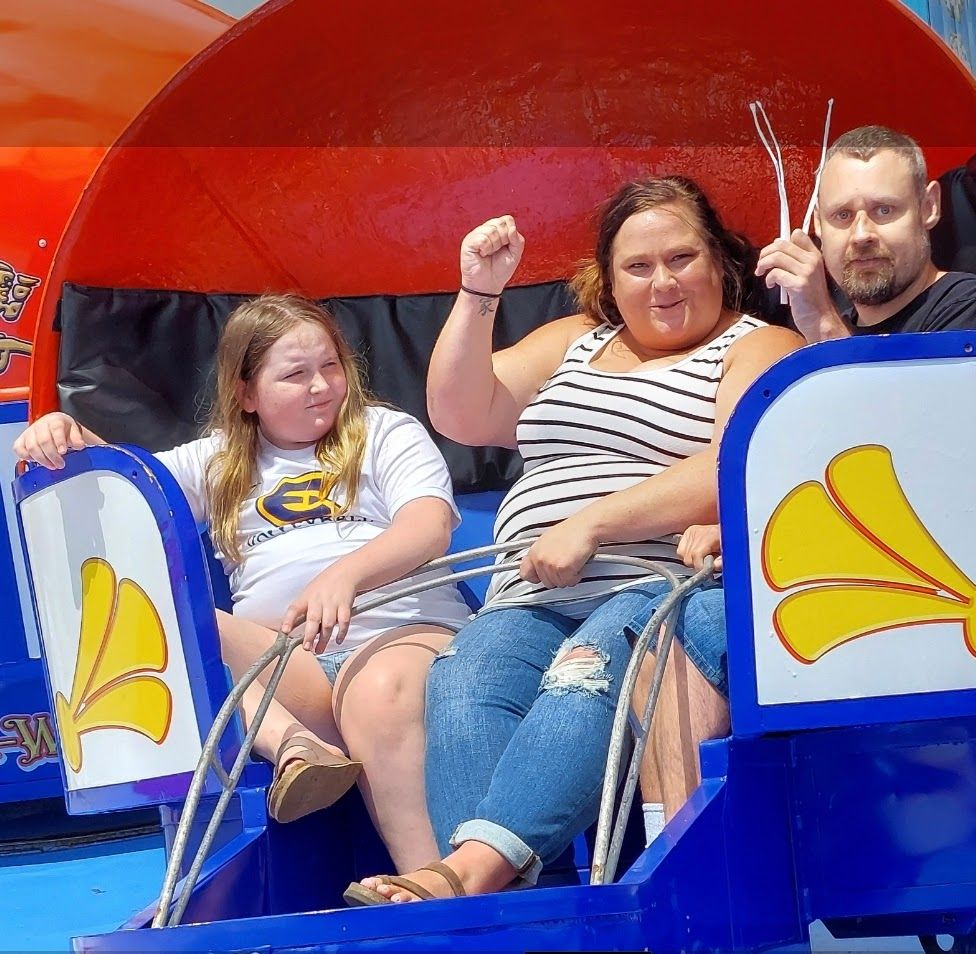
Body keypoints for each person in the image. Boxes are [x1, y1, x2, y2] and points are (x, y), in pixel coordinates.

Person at [345, 177, 801, 905]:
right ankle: (510, 913)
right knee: (461, 682)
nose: (663, 282)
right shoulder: (573, 343)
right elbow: (461, 413)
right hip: (526, 588)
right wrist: (479, 294)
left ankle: (469, 878)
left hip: (650, 584)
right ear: (609, 282)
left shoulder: (758, 345)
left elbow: (737, 458)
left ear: (721, 263)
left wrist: (592, 524)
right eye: (638, 267)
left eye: (682, 258)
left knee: (583, 672)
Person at [13, 294, 471, 875]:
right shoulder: (222, 460)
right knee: (180, 626)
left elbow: (428, 525)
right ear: (247, 393)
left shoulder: (383, 430)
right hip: (294, 668)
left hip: (403, 639)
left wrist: (345, 575)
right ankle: (295, 749)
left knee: (378, 691)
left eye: (331, 366)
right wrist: (61, 432)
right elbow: (125, 484)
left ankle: (430, 882)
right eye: (296, 375)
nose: (321, 386)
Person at [755, 125, 976, 341]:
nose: (861, 235)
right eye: (843, 215)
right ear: (819, 223)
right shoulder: (838, 326)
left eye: (884, 210)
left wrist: (823, 324)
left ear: (929, 207)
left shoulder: (966, 309)